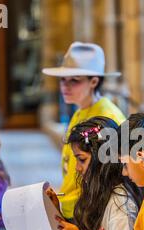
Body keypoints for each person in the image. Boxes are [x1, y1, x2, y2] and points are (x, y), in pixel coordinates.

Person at [42, 42, 126, 220]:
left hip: (89, 217)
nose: (65, 86)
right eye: (63, 79)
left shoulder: (108, 117)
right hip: (69, 209)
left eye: (74, 80)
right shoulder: (79, 112)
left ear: (94, 81)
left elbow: (110, 181)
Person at [47, 116, 142, 230]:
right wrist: (55, 211)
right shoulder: (99, 194)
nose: (77, 168)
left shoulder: (120, 202)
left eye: (82, 160)